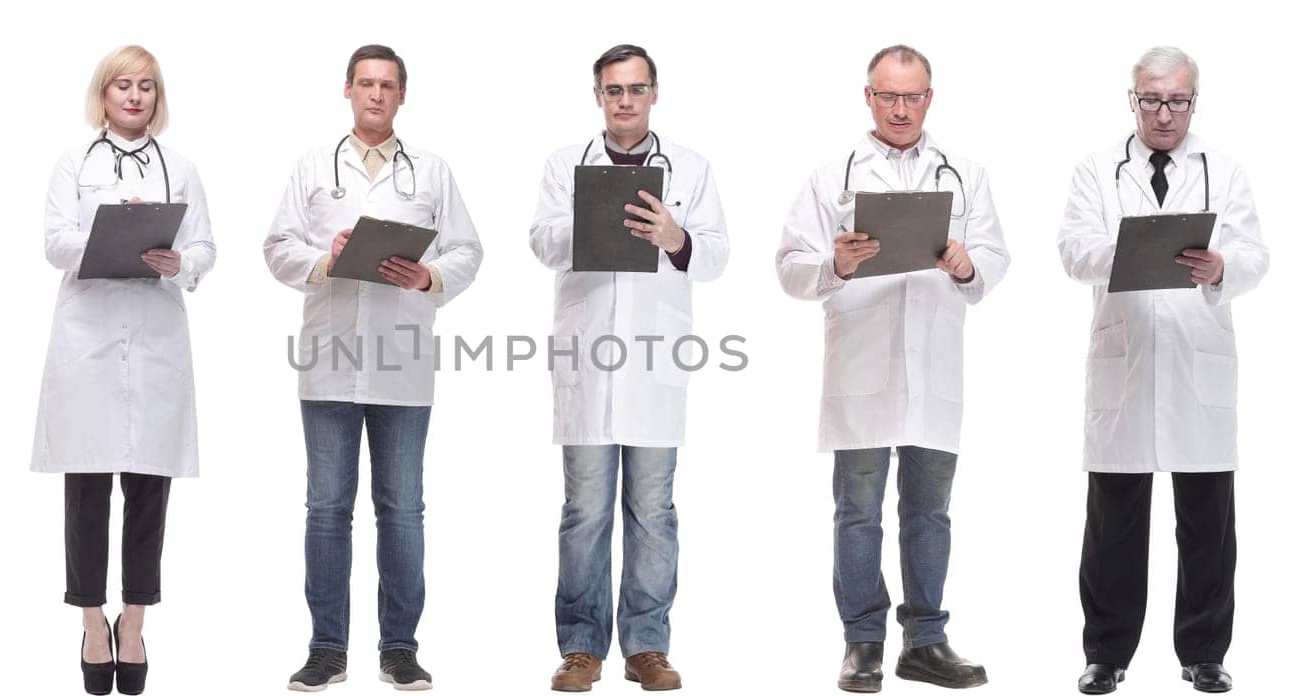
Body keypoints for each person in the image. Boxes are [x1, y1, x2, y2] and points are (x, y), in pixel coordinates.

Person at [776, 44, 1008, 693]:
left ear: (929, 99)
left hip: (933, 363)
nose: (900, 108)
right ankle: (863, 643)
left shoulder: (965, 173)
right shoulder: (833, 177)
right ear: (869, 98)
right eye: (888, 95)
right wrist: (837, 264)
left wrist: (966, 265)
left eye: (912, 96)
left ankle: (926, 643)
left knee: (930, 511)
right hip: (862, 365)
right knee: (858, 510)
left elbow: (995, 253)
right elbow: (789, 265)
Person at [264, 43, 483, 692]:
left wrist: (429, 274)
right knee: (327, 507)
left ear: (403, 95)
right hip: (329, 362)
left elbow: (470, 250)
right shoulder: (312, 167)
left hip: (403, 363)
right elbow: (276, 249)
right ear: (347, 90)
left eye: (388, 85)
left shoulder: (432, 172)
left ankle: (400, 649)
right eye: (365, 83)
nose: (376, 95)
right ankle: (327, 648)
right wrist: (324, 257)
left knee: (403, 509)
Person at [1058, 46, 1268, 696]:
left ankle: (1204, 653)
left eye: (1177, 100)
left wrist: (1222, 268)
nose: (1164, 114)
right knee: (1113, 524)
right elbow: (1072, 249)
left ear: (1193, 102)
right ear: (1133, 99)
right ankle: (1106, 655)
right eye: (1152, 99)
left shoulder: (1223, 171)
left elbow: (1255, 252)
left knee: (1208, 522)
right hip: (1126, 365)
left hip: (1196, 364)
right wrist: (1130, 250)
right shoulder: (1098, 171)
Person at [529, 44, 730, 693]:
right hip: (587, 357)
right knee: (584, 509)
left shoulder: (690, 169)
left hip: (655, 361)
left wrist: (675, 237)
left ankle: (647, 645)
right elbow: (541, 240)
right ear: (597, 96)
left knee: (653, 508)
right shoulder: (567, 166)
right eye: (613, 90)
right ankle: (582, 647)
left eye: (636, 89)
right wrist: (589, 225)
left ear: (653, 94)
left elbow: (718, 253)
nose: (624, 100)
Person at [30, 45, 216, 696]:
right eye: (122, 86)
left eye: (146, 87)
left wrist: (178, 263)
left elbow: (204, 247)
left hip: (156, 330)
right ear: (102, 95)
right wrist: (112, 240)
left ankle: (134, 620)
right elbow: (55, 240)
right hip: (89, 335)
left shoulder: (181, 168)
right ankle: (90, 620)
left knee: (147, 488)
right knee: (85, 487)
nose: (134, 97)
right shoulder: (72, 164)